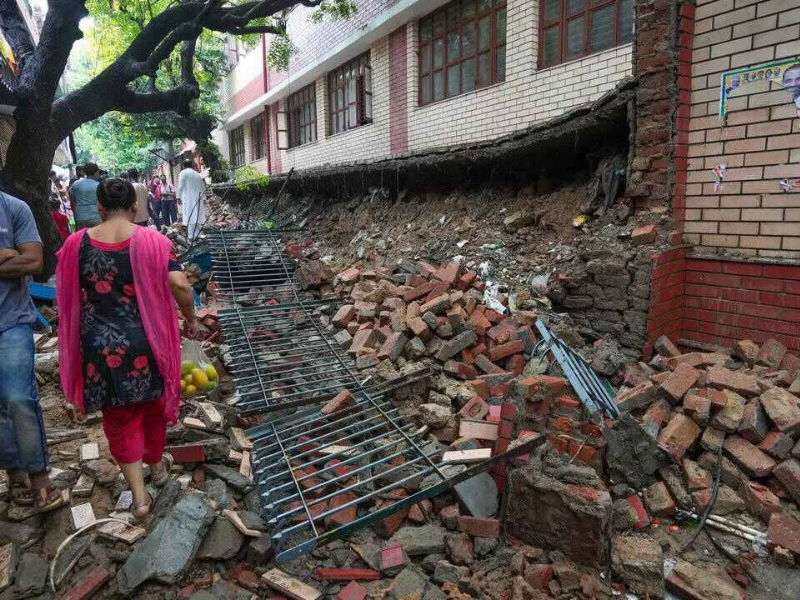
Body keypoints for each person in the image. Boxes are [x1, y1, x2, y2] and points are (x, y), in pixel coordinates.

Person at [56, 178, 199, 522]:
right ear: (135, 207)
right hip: (146, 342)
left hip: (99, 350)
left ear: (100, 208)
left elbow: (67, 295)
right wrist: (190, 318)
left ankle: (139, 498)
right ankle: (159, 470)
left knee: (119, 419)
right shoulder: (154, 240)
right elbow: (179, 283)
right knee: (151, 408)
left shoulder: (76, 245)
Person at [0, 181, 64, 513]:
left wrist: (18, 257)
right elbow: (19, 259)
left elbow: (33, 261)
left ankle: (39, 477)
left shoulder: (14, 208)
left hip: (12, 319)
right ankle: (14, 472)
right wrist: (7, 255)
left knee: (18, 397)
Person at [176, 160, 205, 240]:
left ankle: (190, 236)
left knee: (190, 215)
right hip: (198, 197)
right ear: (192, 165)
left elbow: (180, 185)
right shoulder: (197, 174)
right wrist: (204, 197)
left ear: (184, 165)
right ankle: (197, 234)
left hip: (189, 198)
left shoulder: (183, 173)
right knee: (197, 215)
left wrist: (178, 197)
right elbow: (203, 187)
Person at [69, 162, 101, 229]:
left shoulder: (75, 184)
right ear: (96, 172)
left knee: (83, 237)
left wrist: (75, 215)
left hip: (80, 217)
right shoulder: (98, 186)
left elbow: (72, 202)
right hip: (96, 218)